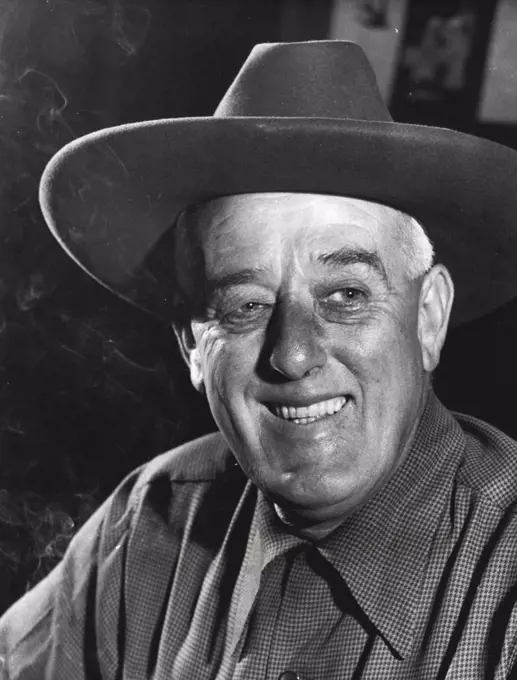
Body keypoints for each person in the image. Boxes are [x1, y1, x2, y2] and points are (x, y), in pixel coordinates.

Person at [2, 40, 517, 680]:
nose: (294, 354)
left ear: (428, 316)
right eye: (244, 306)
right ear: (192, 345)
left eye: (347, 295)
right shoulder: (147, 526)